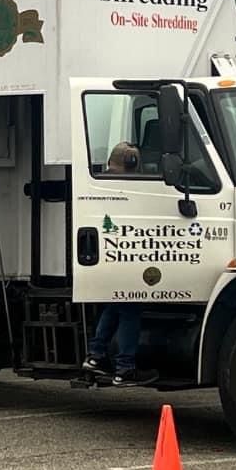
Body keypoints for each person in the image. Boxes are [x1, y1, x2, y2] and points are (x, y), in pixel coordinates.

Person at [83, 141, 157, 387]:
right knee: (130, 308)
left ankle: (96, 355)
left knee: (115, 304)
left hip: (105, 255)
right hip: (125, 255)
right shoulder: (128, 186)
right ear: (132, 163)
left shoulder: (101, 180)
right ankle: (125, 367)